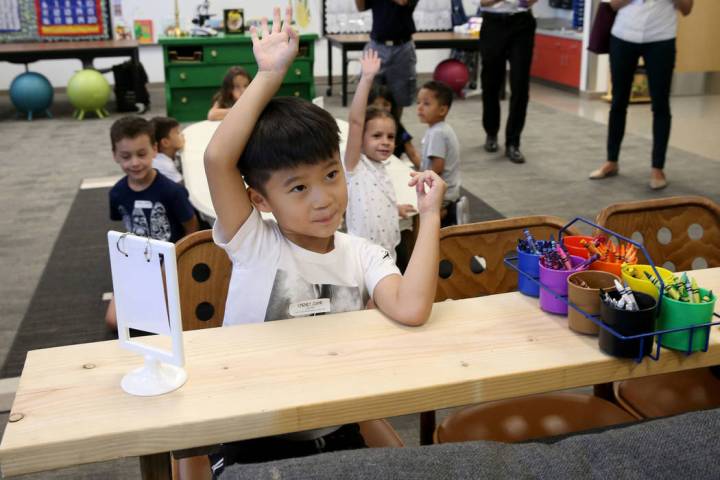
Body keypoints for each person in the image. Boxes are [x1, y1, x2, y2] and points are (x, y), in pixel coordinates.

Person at [197, 7, 445, 478]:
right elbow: (217, 158)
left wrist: (430, 216)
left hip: (333, 431)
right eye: (298, 188)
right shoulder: (253, 242)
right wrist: (270, 73)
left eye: (332, 175)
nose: (323, 199)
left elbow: (412, 308)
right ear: (260, 199)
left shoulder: (363, 254)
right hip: (253, 434)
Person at [105, 116, 199, 329]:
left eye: (141, 154)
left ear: (154, 150)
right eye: (126, 156)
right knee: (113, 321)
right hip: (137, 260)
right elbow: (126, 224)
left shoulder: (172, 191)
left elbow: (191, 224)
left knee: (176, 318)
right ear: (115, 156)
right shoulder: (117, 193)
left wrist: (178, 258)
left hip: (170, 261)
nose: (135, 163)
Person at [589, 0, 694, 190]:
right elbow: (613, 5)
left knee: (661, 105)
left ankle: (657, 168)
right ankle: (611, 160)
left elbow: (687, 9)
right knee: (618, 102)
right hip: (623, 36)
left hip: (661, 38)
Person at [345, 49, 416, 262]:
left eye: (390, 136)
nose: (385, 141)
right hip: (362, 256)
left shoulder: (381, 167)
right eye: (376, 135)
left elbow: (377, 196)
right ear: (361, 138)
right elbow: (356, 121)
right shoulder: (355, 165)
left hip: (387, 254)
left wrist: (394, 208)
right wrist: (367, 79)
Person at [478, 0, 538, 164]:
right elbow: (484, 1)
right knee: (490, 83)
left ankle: (513, 142)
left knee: (520, 85)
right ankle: (491, 132)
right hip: (493, 23)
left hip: (522, 24)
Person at [355, 0, 418, 118]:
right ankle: (369, 129)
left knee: (400, 95)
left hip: (402, 47)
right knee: (368, 92)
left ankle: (395, 129)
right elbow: (361, 7)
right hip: (377, 45)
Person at [417, 80, 461, 227]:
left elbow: (438, 166)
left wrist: (421, 179)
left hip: (443, 198)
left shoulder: (437, 132)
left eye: (426, 104)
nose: (420, 108)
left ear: (442, 110)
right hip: (447, 194)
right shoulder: (439, 128)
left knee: (428, 228)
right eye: (419, 102)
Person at [368, 83, 422, 167]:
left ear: (392, 106)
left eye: (385, 104)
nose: (380, 108)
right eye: (375, 104)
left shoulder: (400, 130)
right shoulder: (363, 127)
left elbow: (413, 153)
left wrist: (425, 172)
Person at [150, 116, 184, 183]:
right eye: (177, 133)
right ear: (165, 142)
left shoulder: (166, 155)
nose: (182, 135)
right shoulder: (165, 165)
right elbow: (184, 186)